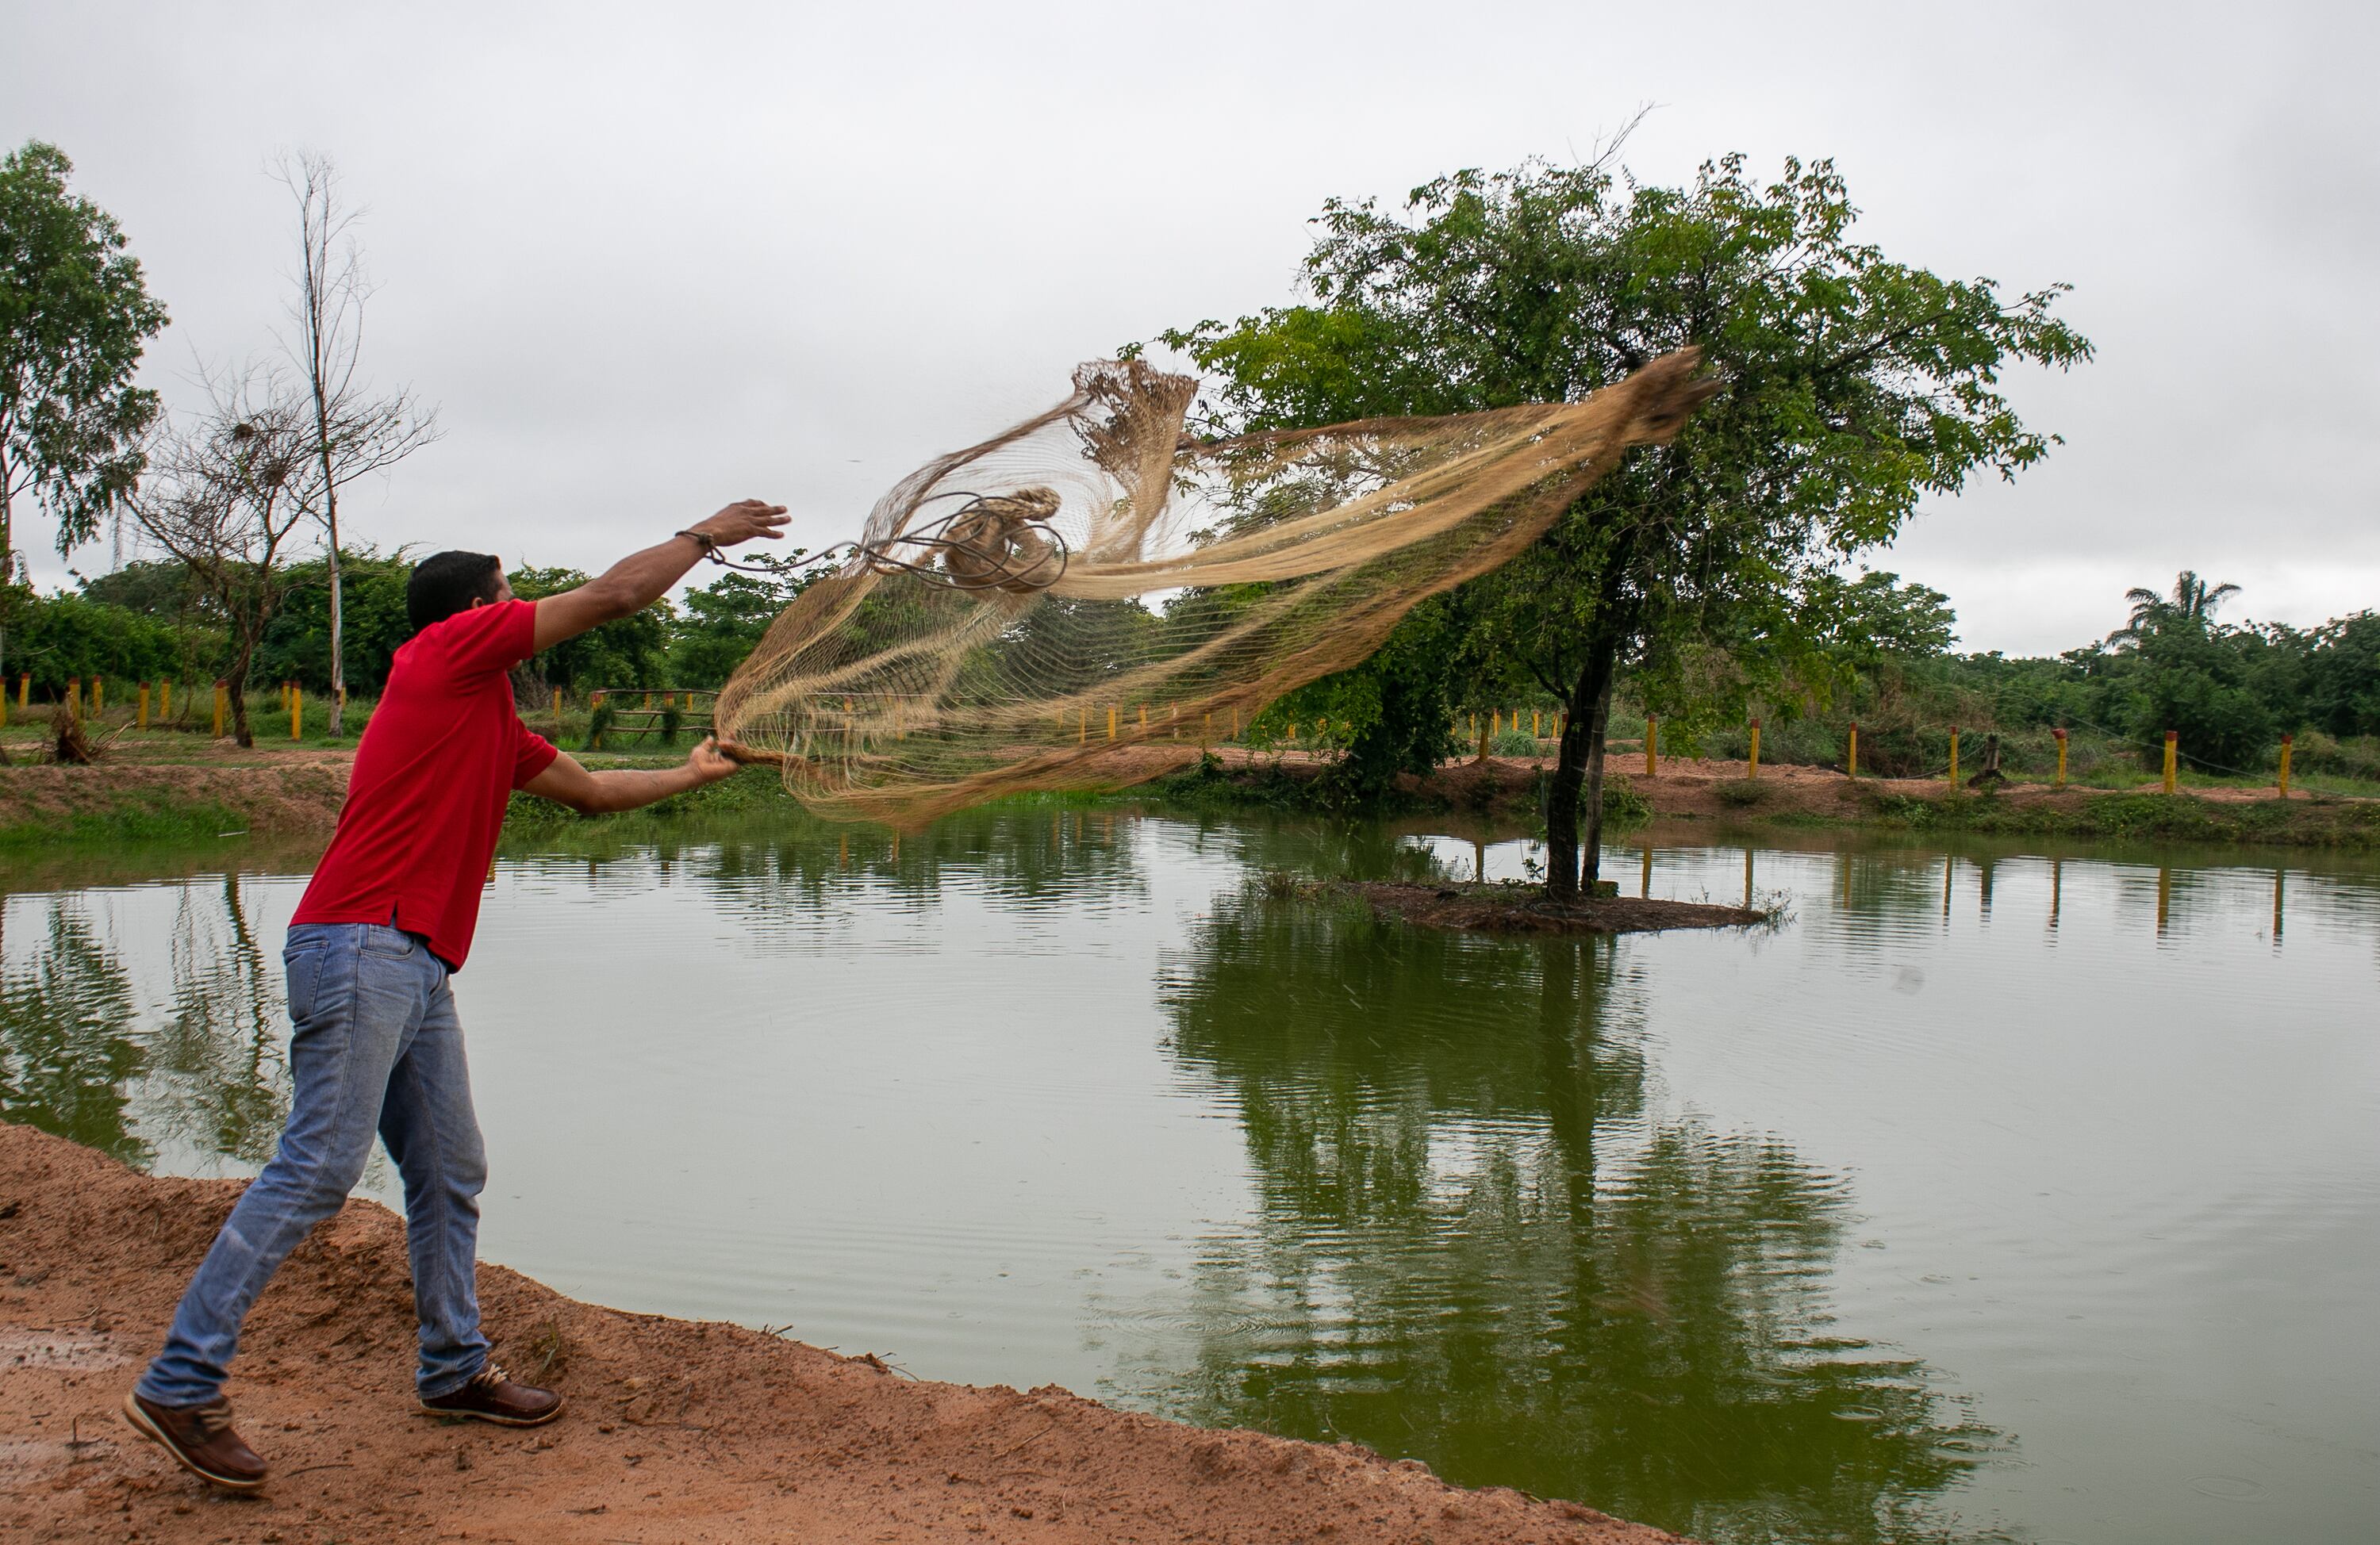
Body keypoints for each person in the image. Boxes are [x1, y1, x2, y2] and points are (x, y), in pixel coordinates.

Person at [121, 500, 790, 1491]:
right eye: (508, 591)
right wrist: (705, 535)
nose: (521, 603)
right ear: (473, 612)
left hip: (414, 960)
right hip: (363, 941)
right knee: (316, 1168)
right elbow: (614, 594)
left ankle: (453, 1368)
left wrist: (692, 774)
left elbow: (597, 792)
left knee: (449, 1168)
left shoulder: (488, 719)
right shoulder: (445, 655)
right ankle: (182, 1378)